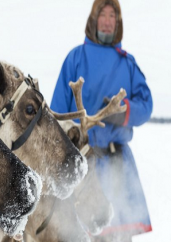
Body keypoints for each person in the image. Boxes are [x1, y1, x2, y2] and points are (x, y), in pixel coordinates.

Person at [50, 0, 153, 241]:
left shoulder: (127, 64)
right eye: (102, 15)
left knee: (117, 235)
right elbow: (55, 115)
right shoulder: (75, 58)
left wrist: (123, 112)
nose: (107, 21)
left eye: (112, 16)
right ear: (93, 20)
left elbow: (146, 105)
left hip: (118, 164)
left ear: (118, 23)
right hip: (81, 166)